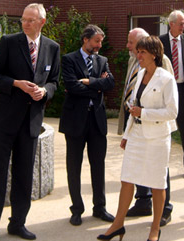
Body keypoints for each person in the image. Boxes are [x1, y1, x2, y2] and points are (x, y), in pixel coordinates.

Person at [0, 3, 60, 241]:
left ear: (42, 22)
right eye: (23, 19)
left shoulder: (52, 48)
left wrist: (44, 92)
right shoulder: (8, 41)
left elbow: (54, 81)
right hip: (4, 120)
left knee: (24, 176)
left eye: (30, 20)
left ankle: (18, 223)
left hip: (31, 123)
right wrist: (16, 83)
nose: (25, 23)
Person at [97, 36, 178, 241]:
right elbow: (134, 105)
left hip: (157, 138)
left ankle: (154, 229)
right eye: (138, 51)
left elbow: (172, 112)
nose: (137, 55)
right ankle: (117, 224)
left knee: (158, 184)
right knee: (127, 179)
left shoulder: (166, 79)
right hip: (136, 136)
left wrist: (145, 112)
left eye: (142, 52)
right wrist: (126, 135)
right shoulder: (140, 73)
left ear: (154, 54)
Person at [117, 28, 175, 226]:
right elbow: (132, 91)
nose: (129, 47)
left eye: (131, 43)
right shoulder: (135, 63)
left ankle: (164, 210)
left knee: (159, 174)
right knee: (132, 173)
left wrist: (144, 113)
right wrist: (126, 130)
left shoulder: (163, 67)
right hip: (136, 126)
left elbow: (169, 106)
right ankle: (142, 203)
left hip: (156, 131)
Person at [59, 24, 115, 226]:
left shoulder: (102, 60)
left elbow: (110, 83)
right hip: (75, 121)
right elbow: (71, 86)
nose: (99, 45)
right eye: (96, 41)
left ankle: (100, 208)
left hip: (97, 121)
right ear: (85, 39)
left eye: (101, 41)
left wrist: (89, 82)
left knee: (98, 165)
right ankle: (76, 209)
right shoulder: (69, 59)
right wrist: (97, 86)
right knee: (73, 167)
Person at [160, 9, 184, 179]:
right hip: (165, 91)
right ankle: (160, 166)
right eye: (181, 23)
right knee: (162, 128)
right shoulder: (160, 42)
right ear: (172, 24)